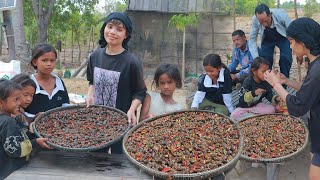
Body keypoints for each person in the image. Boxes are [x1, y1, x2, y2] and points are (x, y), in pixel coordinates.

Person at [263, 17, 320, 180]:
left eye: (292, 41)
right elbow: (310, 89)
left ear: (304, 42)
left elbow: (297, 106)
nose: (290, 47)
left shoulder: (317, 69)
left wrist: (275, 85)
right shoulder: (315, 63)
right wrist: (286, 81)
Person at [86, 12, 146, 154]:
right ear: (104, 28)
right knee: (96, 160)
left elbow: (140, 92)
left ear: (126, 35)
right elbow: (92, 81)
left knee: (119, 161)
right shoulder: (95, 56)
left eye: (119, 29)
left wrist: (131, 110)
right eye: (110, 26)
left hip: (121, 122)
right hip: (97, 120)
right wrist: (89, 94)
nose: (113, 32)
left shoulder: (131, 62)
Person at [0, 79, 51, 179]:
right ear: (1, 103)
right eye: (16, 99)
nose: (20, 102)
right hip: (9, 174)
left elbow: (17, 138)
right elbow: (15, 150)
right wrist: (36, 142)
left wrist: (31, 133)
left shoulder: (7, 120)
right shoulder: (8, 122)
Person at [25, 43, 69, 117]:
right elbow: (19, 110)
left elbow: (65, 105)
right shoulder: (28, 83)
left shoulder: (59, 82)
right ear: (35, 62)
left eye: (52, 60)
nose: (49, 64)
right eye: (44, 60)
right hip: (31, 125)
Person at [249, 3, 292, 78]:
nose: (264, 25)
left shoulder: (282, 16)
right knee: (264, 59)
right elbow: (252, 39)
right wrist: (256, 58)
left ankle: (284, 82)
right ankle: (267, 81)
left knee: (285, 57)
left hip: (283, 37)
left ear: (270, 15)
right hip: (267, 38)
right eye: (261, 22)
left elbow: (292, 32)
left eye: (266, 21)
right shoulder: (255, 19)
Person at [230, 57, 275, 121]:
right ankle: (255, 117)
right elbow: (241, 99)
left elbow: (269, 95)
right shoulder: (248, 81)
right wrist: (253, 93)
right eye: (263, 71)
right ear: (254, 71)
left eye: (267, 71)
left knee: (272, 109)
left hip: (257, 106)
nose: (266, 74)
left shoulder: (266, 82)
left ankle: (251, 117)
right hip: (244, 108)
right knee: (233, 115)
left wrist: (276, 98)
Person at [11, 74, 37, 138]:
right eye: (25, 95)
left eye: (31, 95)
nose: (29, 99)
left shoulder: (20, 109)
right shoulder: (12, 117)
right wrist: (31, 132)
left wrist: (35, 118)